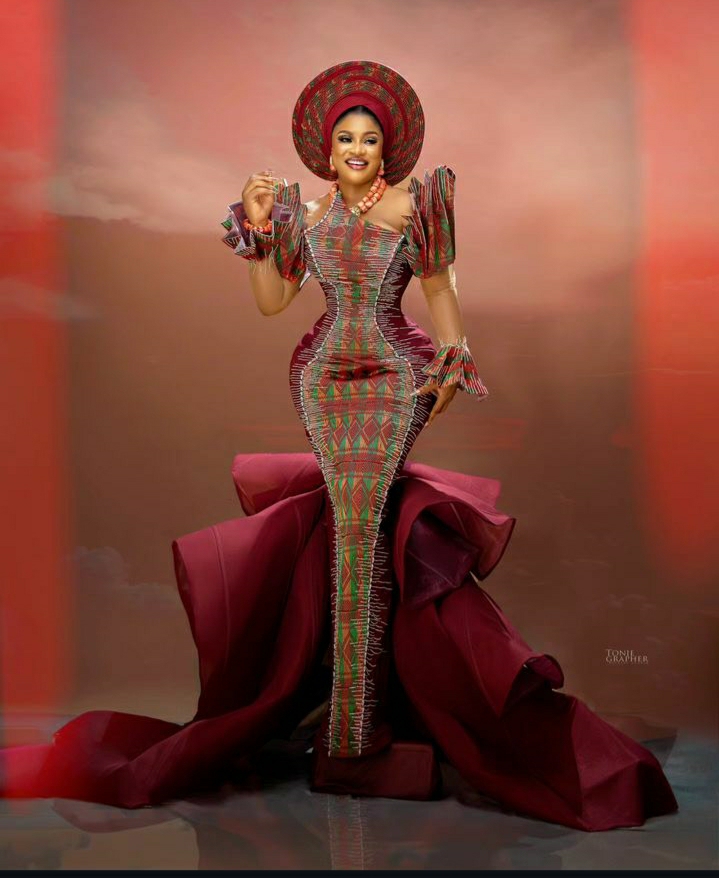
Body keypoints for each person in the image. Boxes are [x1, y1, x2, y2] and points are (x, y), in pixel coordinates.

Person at [0, 61, 678, 832]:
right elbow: (272, 303)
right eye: (345, 138)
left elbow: (441, 289)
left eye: (368, 139)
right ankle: (352, 729)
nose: (356, 148)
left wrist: (452, 360)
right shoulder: (306, 213)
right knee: (354, 538)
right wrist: (259, 229)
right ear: (325, 149)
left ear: (388, 148)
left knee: (360, 537)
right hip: (322, 380)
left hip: (394, 375)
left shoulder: (415, 204)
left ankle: (357, 737)